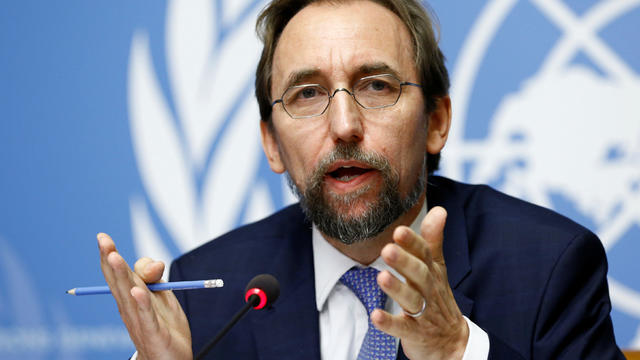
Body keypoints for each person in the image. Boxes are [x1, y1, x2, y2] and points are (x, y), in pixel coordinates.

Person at [97, 0, 624, 359]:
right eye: (307, 94)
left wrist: (456, 352)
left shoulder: (551, 267)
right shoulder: (211, 294)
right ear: (273, 144)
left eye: (375, 86)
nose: (344, 126)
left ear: (436, 122)